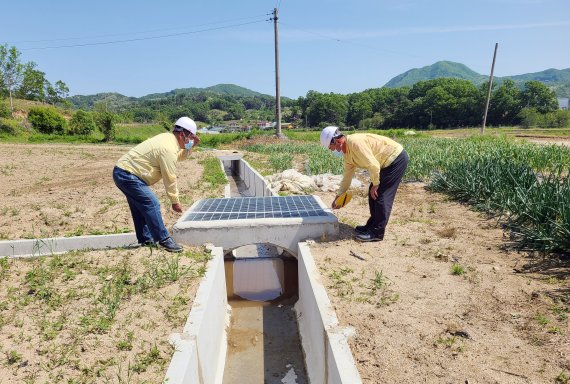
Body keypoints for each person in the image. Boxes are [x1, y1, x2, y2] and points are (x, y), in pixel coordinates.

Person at [113, 116, 200, 252]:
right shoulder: (168, 148)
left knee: (139, 207)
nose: (192, 140)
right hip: (127, 175)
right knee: (152, 203)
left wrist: (190, 146)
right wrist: (174, 201)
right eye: (191, 137)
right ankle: (163, 239)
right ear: (183, 134)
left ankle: (145, 239)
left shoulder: (169, 140)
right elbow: (170, 177)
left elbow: (179, 156)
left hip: (124, 172)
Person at [320, 126, 409, 242]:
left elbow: (373, 165)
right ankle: (371, 225)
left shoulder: (355, 143)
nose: (331, 150)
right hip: (384, 163)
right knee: (372, 192)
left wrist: (376, 184)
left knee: (381, 195)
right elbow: (347, 177)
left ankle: (377, 233)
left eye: (330, 148)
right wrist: (338, 196)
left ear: (336, 141)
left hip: (395, 159)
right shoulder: (347, 155)